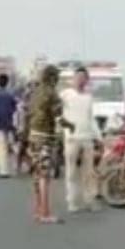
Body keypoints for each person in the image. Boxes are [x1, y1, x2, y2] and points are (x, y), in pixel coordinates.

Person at [25, 66, 73, 224]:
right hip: (45, 136)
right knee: (45, 174)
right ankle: (45, 212)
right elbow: (59, 118)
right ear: (53, 78)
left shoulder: (34, 93)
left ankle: (38, 210)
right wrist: (71, 125)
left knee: (37, 173)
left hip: (33, 135)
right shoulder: (52, 94)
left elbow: (27, 114)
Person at [60, 67, 100, 212]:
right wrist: (65, 130)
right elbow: (58, 114)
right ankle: (71, 201)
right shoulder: (65, 95)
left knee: (88, 171)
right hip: (72, 139)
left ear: (87, 80)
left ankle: (89, 200)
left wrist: (98, 136)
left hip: (86, 138)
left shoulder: (88, 97)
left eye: (83, 77)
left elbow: (91, 118)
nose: (80, 80)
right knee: (71, 172)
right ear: (73, 79)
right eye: (78, 77)